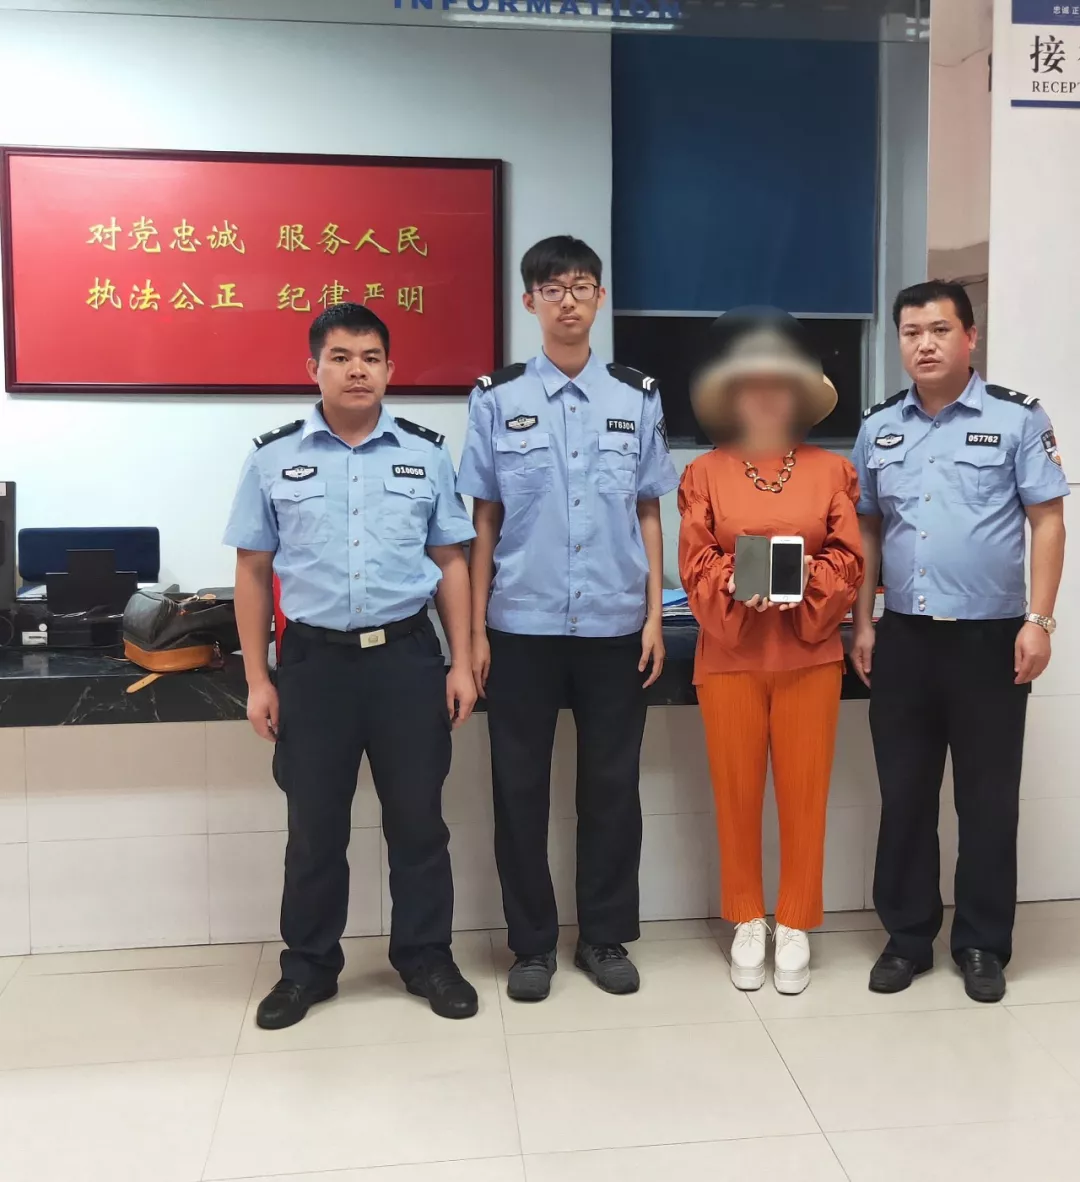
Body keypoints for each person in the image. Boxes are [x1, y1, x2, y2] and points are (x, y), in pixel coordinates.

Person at [225, 302, 480, 1029]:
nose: (357, 370)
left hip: (406, 661)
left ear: (390, 369)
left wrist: (461, 662)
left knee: (419, 824)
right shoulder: (272, 458)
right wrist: (258, 679)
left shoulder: (427, 454)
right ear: (314, 368)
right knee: (314, 829)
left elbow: (451, 562)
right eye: (340, 357)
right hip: (314, 668)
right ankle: (307, 968)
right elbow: (252, 571)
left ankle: (427, 958)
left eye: (370, 357)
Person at [457, 235, 679, 1001]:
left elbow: (648, 511)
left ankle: (605, 937)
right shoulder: (496, 397)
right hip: (520, 626)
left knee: (612, 790)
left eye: (582, 286)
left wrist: (654, 617)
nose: (569, 301)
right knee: (519, 791)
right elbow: (483, 520)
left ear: (600, 298)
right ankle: (531, 946)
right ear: (530, 302)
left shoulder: (636, 396)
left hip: (616, 626)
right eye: (552, 289)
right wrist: (475, 632)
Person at [851, 280, 1068, 1003]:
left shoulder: (1016, 418)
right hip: (904, 640)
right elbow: (869, 528)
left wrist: (1039, 620)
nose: (925, 344)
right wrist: (862, 621)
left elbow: (1047, 521)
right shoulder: (880, 425)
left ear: (970, 337)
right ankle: (907, 938)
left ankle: (981, 943)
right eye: (911, 332)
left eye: (940, 330)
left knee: (988, 800)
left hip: (990, 641)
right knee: (905, 795)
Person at [678, 308, 864, 995]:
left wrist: (805, 582)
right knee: (735, 794)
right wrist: (734, 584)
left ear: (800, 394)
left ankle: (795, 920)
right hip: (729, 657)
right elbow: (695, 561)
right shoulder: (703, 473)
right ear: (730, 395)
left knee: (805, 795)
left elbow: (849, 558)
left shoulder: (833, 471)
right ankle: (746, 916)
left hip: (809, 657)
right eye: (749, 383)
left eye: (778, 383)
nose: (764, 396)